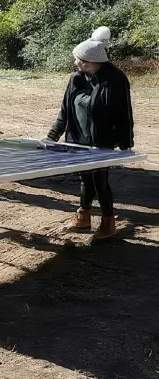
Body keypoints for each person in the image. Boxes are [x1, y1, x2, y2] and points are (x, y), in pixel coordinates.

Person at [46, 33, 134, 239]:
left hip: (101, 140)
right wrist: (51, 137)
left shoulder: (115, 79)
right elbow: (64, 112)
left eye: (80, 60)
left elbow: (124, 113)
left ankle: (108, 223)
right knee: (85, 179)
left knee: (99, 180)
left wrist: (125, 143)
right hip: (78, 140)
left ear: (92, 62)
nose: (76, 63)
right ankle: (83, 217)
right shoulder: (75, 78)